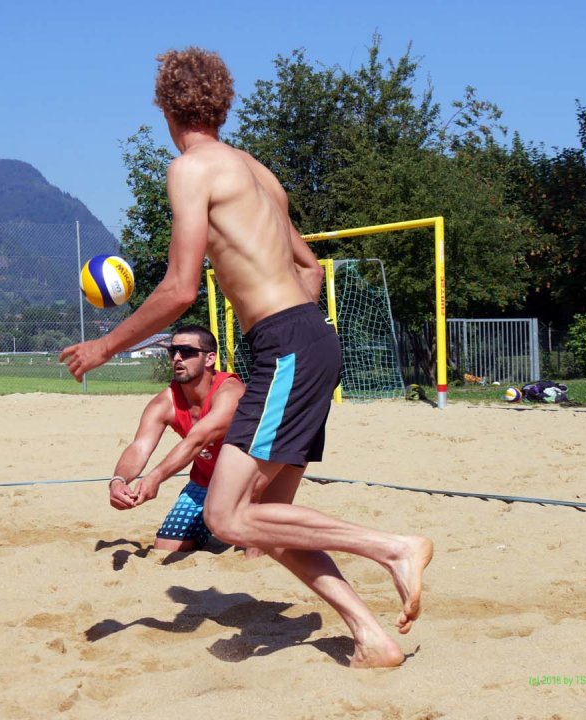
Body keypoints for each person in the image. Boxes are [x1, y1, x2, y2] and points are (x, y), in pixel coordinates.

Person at [60, 47, 432, 669]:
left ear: (164, 105)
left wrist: (104, 346)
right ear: (223, 103)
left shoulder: (192, 169)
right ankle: (372, 635)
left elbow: (180, 289)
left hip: (286, 347)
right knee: (268, 520)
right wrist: (286, 323)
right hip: (304, 340)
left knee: (227, 516)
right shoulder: (258, 173)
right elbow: (309, 269)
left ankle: (391, 548)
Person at [107, 325, 243, 552]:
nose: (178, 357)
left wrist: (155, 477)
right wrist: (119, 480)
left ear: (210, 358)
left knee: (252, 548)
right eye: (173, 351)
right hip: (205, 482)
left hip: (249, 484)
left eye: (187, 351)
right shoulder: (166, 401)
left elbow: (197, 440)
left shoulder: (230, 392)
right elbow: (140, 447)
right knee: (165, 547)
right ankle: (213, 524)